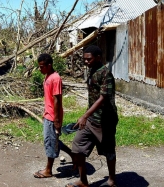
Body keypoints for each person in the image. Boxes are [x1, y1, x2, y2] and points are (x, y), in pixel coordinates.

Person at [66, 45, 118, 187]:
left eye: (89, 59)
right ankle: (83, 181)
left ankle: (112, 180)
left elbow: (103, 98)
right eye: (84, 59)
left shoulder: (105, 73)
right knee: (78, 146)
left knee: (108, 151)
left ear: (98, 57)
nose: (86, 62)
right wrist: (87, 116)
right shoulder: (91, 71)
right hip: (91, 120)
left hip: (105, 120)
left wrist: (84, 115)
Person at [33, 53, 73, 178]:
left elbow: (57, 100)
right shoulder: (47, 76)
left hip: (53, 116)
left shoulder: (55, 78)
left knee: (50, 141)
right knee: (53, 139)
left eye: (42, 66)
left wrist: (56, 119)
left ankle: (48, 170)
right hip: (48, 114)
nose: (40, 69)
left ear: (49, 65)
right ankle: (74, 155)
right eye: (39, 66)